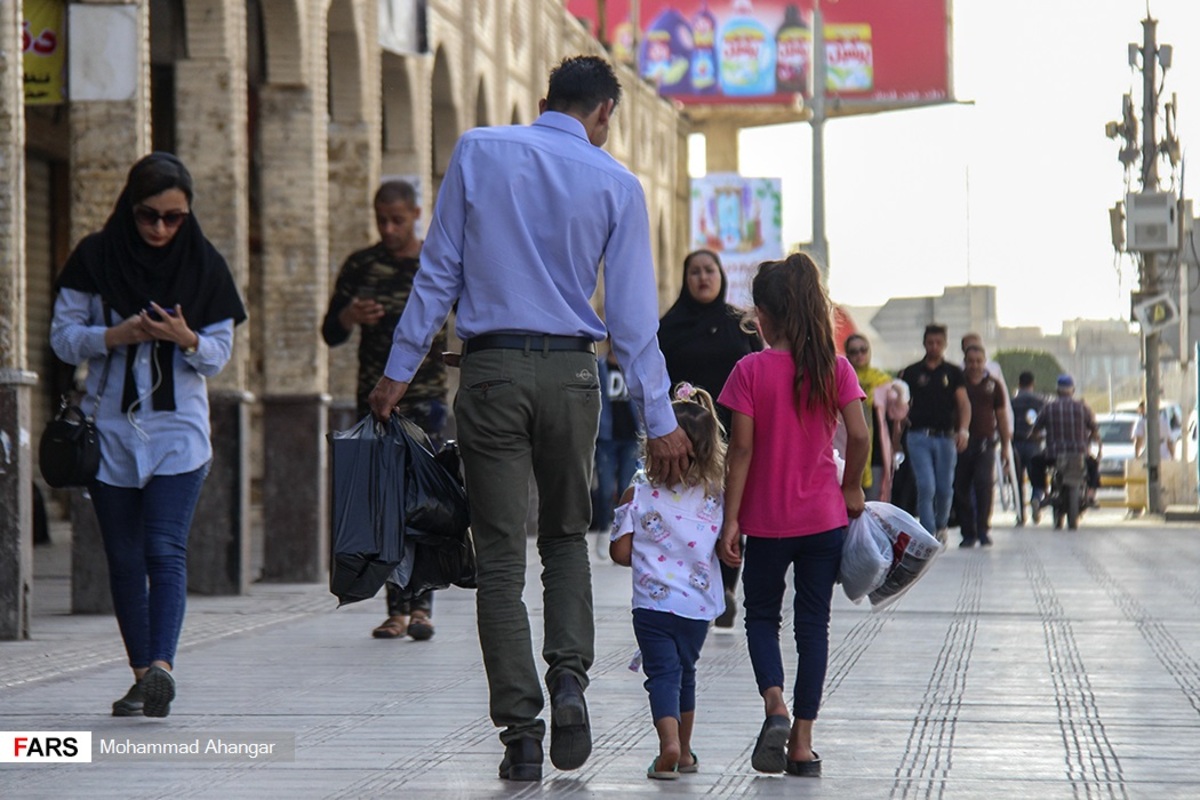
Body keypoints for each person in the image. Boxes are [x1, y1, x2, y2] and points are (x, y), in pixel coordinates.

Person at [366, 55, 692, 781]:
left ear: (545, 100)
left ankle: (521, 733)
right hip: (577, 374)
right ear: (605, 112)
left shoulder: (480, 150)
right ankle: (569, 678)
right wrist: (660, 419)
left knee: (502, 558)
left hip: (490, 371)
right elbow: (635, 323)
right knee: (568, 538)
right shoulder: (617, 183)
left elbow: (438, 274)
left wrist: (396, 373)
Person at [49, 153, 247, 718]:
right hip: (108, 432)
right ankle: (143, 676)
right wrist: (115, 334)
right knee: (124, 557)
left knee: (165, 549)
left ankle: (162, 664)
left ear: (188, 215)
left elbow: (218, 357)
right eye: (148, 216)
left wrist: (186, 338)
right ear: (128, 208)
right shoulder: (95, 257)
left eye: (174, 217)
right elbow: (62, 339)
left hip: (177, 434)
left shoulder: (204, 265)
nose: (161, 229)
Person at [717, 253, 869, 777]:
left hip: (764, 523)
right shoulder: (834, 367)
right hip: (824, 521)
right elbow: (863, 434)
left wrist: (730, 521)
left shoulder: (749, 371)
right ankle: (802, 745)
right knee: (813, 627)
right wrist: (851, 488)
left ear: (762, 315)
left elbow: (740, 452)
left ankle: (775, 706)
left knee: (760, 617)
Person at [322, 179, 446, 642]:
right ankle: (396, 609)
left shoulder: (435, 263)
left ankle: (422, 607)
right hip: (376, 403)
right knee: (386, 507)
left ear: (416, 214)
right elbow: (329, 332)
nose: (389, 228)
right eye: (381, 219)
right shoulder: (361, 265)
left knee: (426, 506)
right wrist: (350, 317)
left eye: (398, 219)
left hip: (427, 401)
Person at [608, 384, 726, 780]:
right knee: (686, 673)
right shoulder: (716, 497)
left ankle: (668, 746)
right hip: (696, 609)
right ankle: (687, 751)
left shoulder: (637, 492)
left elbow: (620, 554)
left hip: (652, 608)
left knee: (662, 675)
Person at [657, 249, 762, 629]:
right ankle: (689, 588)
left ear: (721, 276)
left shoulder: (741, 325)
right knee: (687, 515)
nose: (703, 278)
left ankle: (727, 591)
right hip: (682, 441)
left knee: (729, 511)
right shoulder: (668, 327)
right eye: (695, 272)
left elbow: (760, 374)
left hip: (736, 438)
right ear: (686, 279)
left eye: (709, 271)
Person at [897, 324, 971, 539]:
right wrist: (896, 438)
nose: (934, 347)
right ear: (924, 343)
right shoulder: (911, 373)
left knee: (944, 488)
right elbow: (901, 407)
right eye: (930, 342)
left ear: (945, 344)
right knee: (926, 485)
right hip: (918, 436)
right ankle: (928, 532)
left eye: (939, 343)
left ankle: (941, 524)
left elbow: (963, 403)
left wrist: (963, 430)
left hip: (946, 437)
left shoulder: (953, 373)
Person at [953, 345, 1011, 547]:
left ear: (984, 361)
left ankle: (983, 529)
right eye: (971, 361)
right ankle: (968, 532)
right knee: (961, 487)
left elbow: (1001, 416)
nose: (975, 365)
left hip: (986, 443)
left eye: (979, 361)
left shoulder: (993, 385)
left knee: (984, 485)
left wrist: (1005, 445)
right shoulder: (957, 383)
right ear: (965, 362)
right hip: (962, 442)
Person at [590, 338, 643, 539]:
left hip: (630, 436)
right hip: (606, 437)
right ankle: (604, 530)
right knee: (604, 490)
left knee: (625, 489)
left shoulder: (632, 368)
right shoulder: (599, 366)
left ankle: (621, 533)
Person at [1029, 375, 1099, 516]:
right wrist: (1091, 437)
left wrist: (1036, 436)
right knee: (1093, 465)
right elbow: (1094, 429)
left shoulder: (1048, 408)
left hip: (1054, 455)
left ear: (1057, 391)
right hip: (1080, 454)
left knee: (1035, 462)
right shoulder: (1083, 408)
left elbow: (1035, 430)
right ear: (1072, 390)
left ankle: (1042, 492)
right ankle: (1091, 494)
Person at [844, 333, 897, 501]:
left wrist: (900, 392)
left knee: (874, 506)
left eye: (863, 350)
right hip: (849, 451)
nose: (859, 355)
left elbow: (898, 413)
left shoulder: (882, 381)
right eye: (853, 352)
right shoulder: (842, 380)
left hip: (876, 452)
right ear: (847, 355)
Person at [1011, 371, 1046, 524]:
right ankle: (1036, 499)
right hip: (1034, 444)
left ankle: (1020, 515)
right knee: (1038, 478)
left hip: (1015, 444)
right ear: (1032, 384)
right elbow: (1046, 424)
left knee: (1016, 481)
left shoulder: (1011, 403)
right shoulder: (1040, 402)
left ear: (1019, 384)